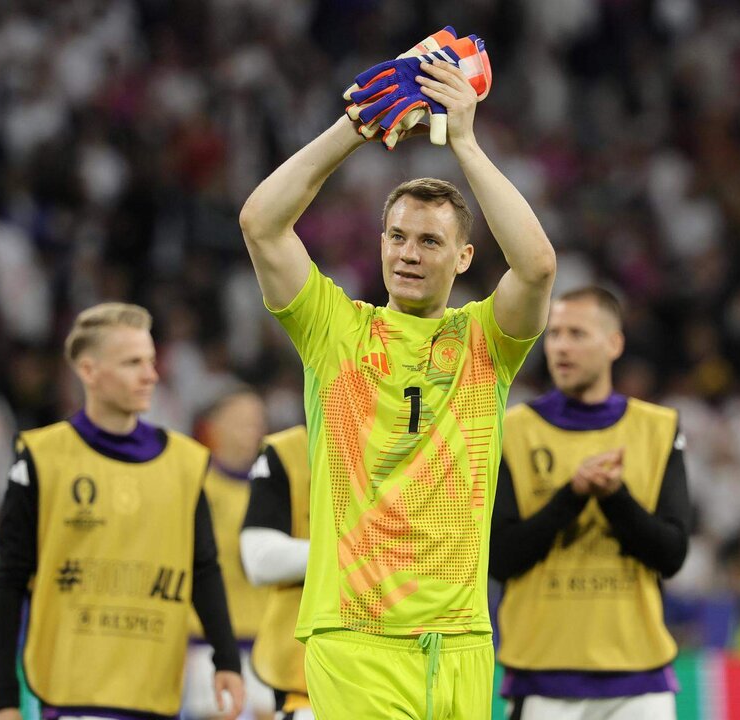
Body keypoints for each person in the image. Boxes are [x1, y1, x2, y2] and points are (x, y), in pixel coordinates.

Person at [239, 56, 556, 720]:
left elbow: (536, 265)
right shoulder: (333, 331)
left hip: (461, 639)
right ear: (381, 243)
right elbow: (262, 223)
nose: (409, 253)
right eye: (398, 237)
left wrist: (465, 142)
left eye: (430, 241)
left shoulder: (486, 342)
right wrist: (353, 129)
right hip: (355, 635)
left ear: (464, 257)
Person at [0, 302, 245, 720]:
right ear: (89, 372)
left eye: (150, 360)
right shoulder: (42, 457)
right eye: (132, 363)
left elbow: (203, 569)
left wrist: (227, 660)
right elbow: (10, 580)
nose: (151, 375)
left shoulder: (186, 462)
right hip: (71, 693)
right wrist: (3, 699)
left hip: (154, 692)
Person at [490, 286, 691, 720]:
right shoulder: (511, 430)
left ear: (614, 344)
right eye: (555, 333)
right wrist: (573, 495)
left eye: (577, 333)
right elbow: (501, 558)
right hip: (542, 675)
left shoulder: (659, 429)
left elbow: (672, 554)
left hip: (640, 678)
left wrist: (614, 497)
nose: (561, 346)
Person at [184, 388, 276, 720]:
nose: (251, 430)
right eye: (240, 421)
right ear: (212, 427)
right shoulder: (196, 484)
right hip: (205, 644)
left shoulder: (275, 488)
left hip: (265, 644)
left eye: (257, 421)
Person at [240, 425, 313, 720]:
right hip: (305, 673)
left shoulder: (421, 441)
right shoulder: (290, 450)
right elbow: (258, 559)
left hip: (405, 663)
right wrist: (352, 554)